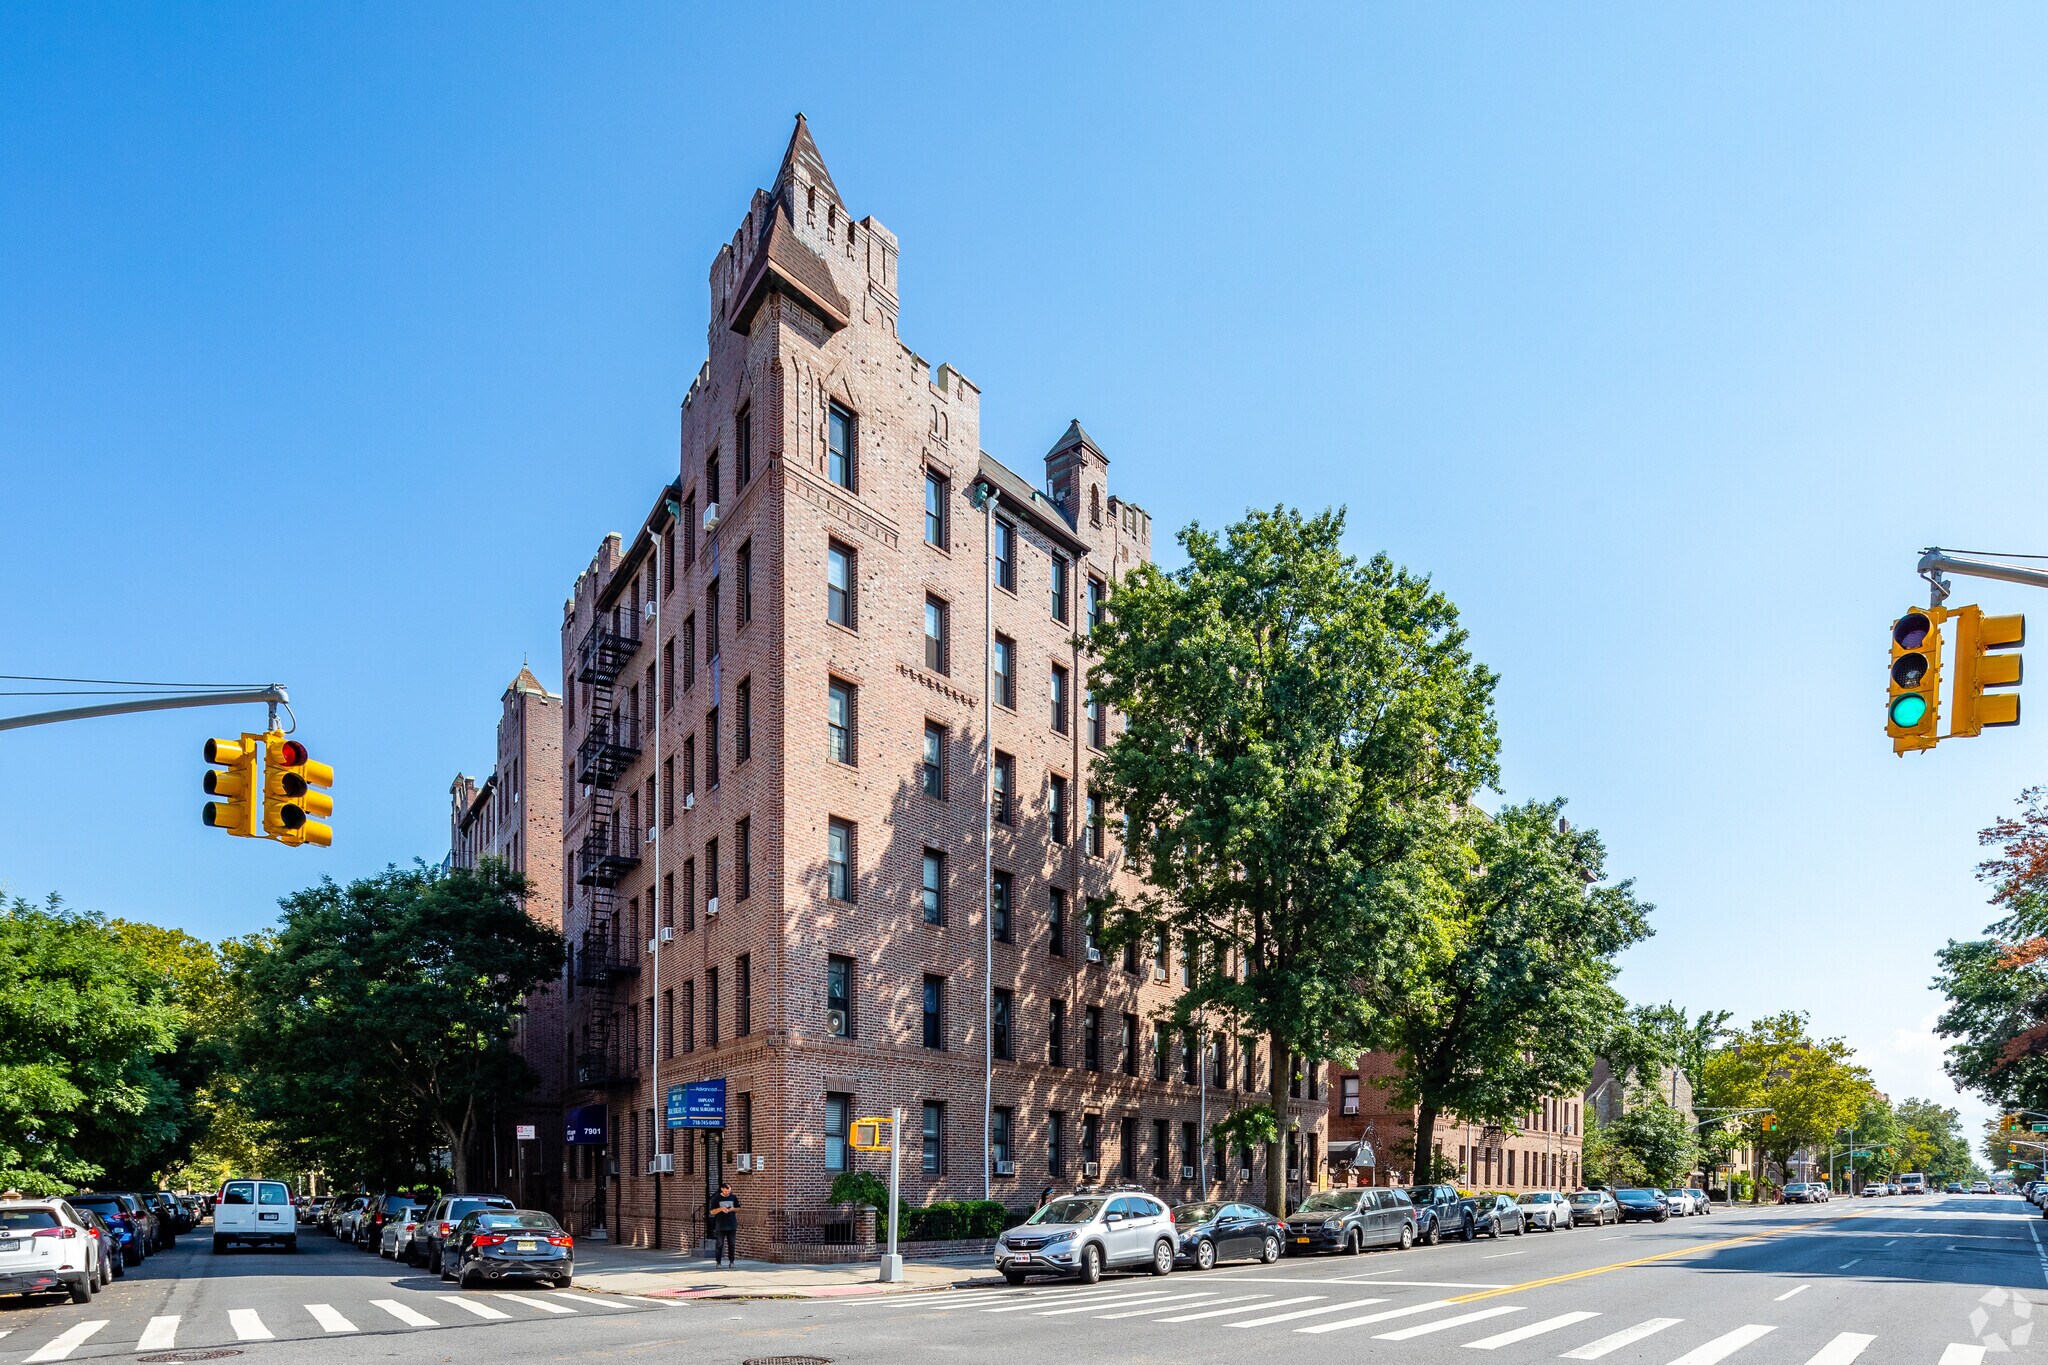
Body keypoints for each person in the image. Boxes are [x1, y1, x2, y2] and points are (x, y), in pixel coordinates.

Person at [709, 1182, 740, 1267]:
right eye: (726, 1191)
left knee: (732, 1244)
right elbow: (711, 1211)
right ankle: (718, 1262)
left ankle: (732, 1262)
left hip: (732, 1224)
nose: (728, 1193)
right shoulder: (716, 1198)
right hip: (720, 1225)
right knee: (720, 1244)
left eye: (729, 1191)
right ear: (722, 1189)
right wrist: (720, 1209)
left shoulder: (733, 1197)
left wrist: (733, 1209)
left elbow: (739, 1208)